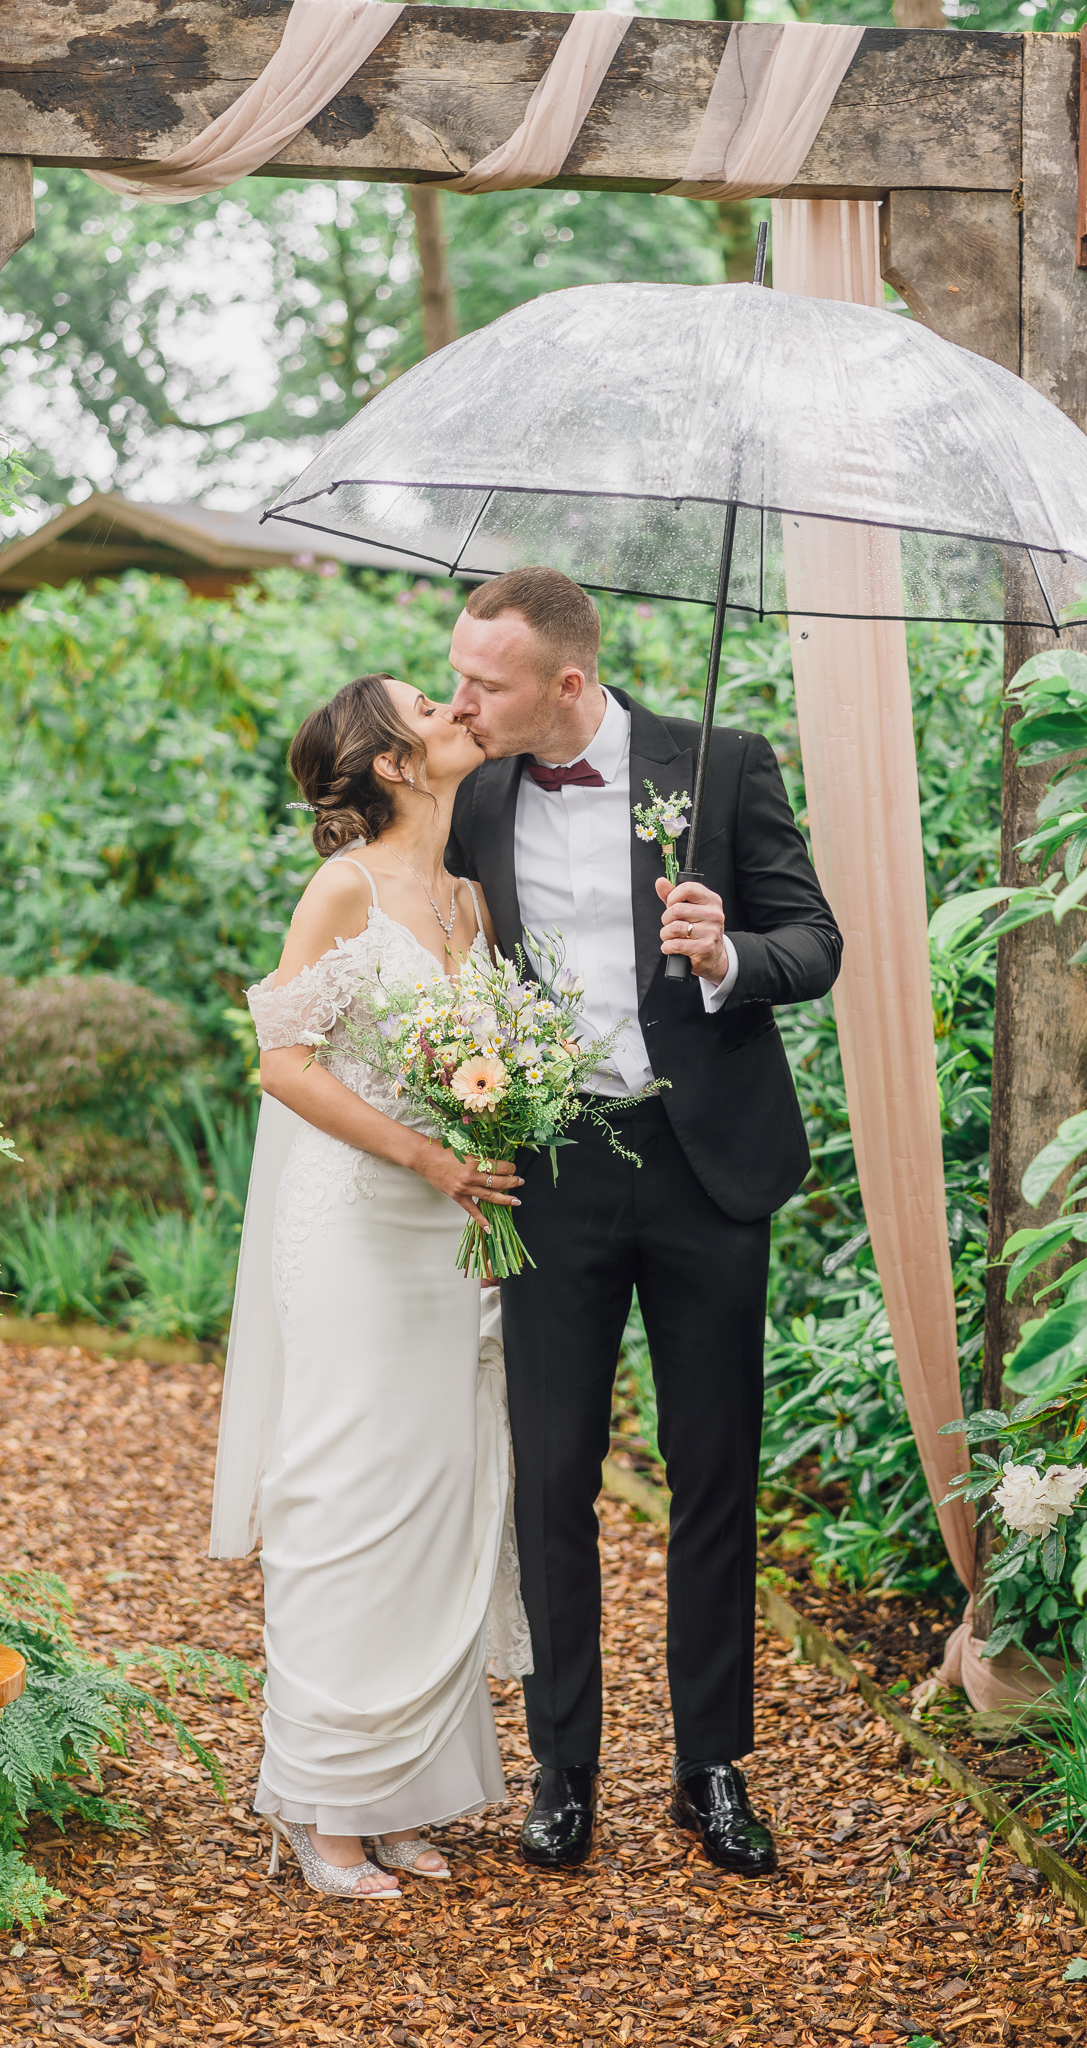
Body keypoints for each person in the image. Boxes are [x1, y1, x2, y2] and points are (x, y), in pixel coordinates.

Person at [445, 567, 842, 1878]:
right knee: (551, 1475)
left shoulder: (719, 763)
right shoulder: (480, 790)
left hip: (705, 1168)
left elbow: (815, 943)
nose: (462, 701)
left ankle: (709, 1770)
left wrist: (727, 953)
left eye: (483, 682)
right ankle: (563, 1774)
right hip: (551, 1171)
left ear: (566, 683)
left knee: (713, 1473)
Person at [209, 672, 532, 1901]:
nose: (456, 708)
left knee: (440, 1490)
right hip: (355, 1228)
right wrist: (429, 1153)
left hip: (452, 1235)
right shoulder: (344, 888)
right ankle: (321, 1798)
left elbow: (489, 1057)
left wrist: (497, 1127)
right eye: (429, 705)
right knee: (346, 1488)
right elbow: (283, 1061)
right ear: (393, 762)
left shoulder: (466, 897)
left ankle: (398, 1788)